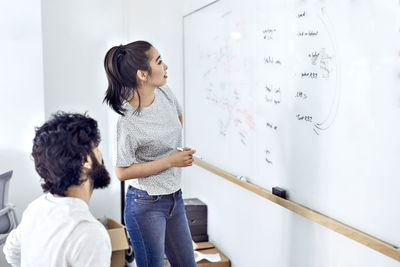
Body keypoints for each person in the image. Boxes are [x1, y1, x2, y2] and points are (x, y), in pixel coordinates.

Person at [103, 40, 197, 267]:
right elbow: (121, 172)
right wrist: (169, 160)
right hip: (145, 204)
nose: (165, 66)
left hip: (175, 198)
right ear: (142, 75)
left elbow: (178, 117)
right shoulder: (125, 120)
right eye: (159, 61)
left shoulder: (164, 92)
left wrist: (174, 149)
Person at [3, 112, 112, 267]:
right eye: (96, 147)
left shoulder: (36, 207)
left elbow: (11, 251)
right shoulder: (89, 233)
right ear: (85, 160)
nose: (100, 154)